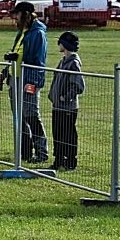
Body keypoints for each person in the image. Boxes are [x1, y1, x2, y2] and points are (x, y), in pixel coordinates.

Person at [2, 1, 49, 165]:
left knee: (31, 116)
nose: (15, 17)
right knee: (19, 118)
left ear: (26, 15)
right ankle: (25, 152)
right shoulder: (23, 31)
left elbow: (38, 61)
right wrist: (5, 71)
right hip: (15, 79)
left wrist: (33, 82)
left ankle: (41, 152)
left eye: (17, 14)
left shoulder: (38, 34)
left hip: (29, 80)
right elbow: (17, 52)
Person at [50, 31, 85, 171]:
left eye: (60, 42)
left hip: (68, 107)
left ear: (64, 45)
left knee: (68, 134)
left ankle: (70, 161)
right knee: (57, 134)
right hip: (57, 105)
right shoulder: (63, 61)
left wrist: (66, 96)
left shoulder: (73, 63)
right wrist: (53, 96)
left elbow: (78, 85)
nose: (58, 45)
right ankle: (58, 160)